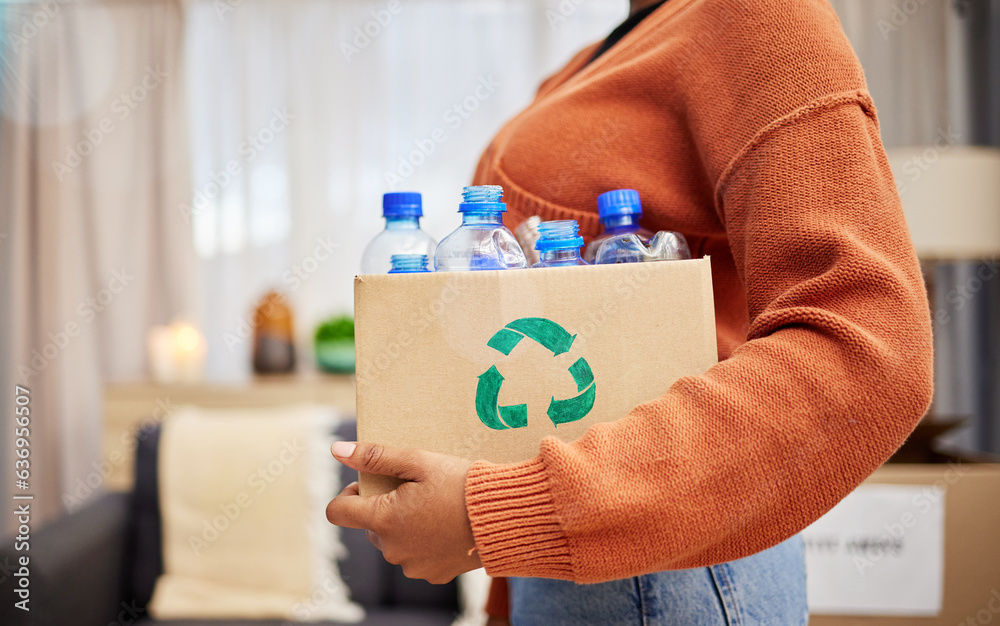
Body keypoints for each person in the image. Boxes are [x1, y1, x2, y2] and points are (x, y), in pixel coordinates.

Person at [326, 0, 934, 623]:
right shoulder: (589, 61)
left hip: (667, 570)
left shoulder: (761, 17)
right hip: (565, 556)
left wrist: (495, 512)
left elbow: (871, 345)